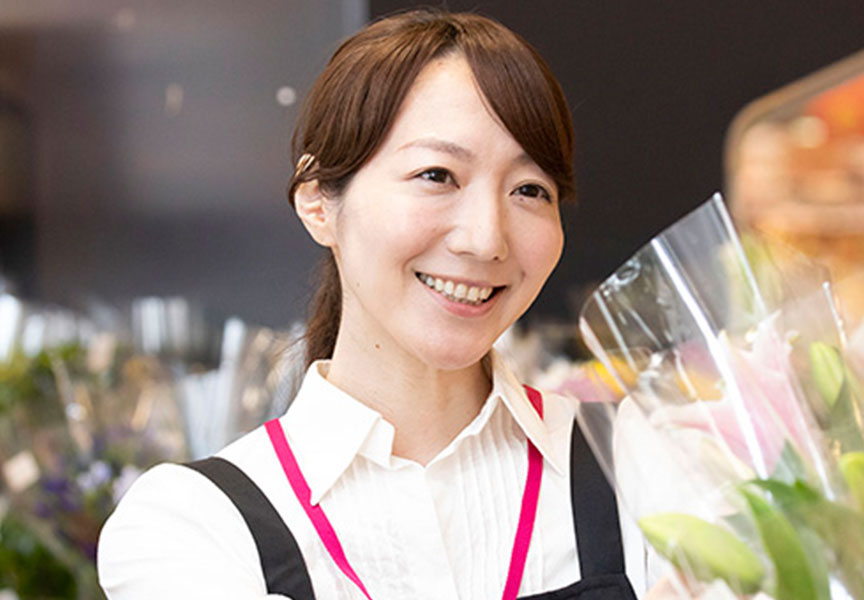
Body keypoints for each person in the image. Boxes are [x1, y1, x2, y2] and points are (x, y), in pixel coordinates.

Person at [98, 9, 649, 599]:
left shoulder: (639, 459)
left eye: (530, 190)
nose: (486, 239)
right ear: (318, 200)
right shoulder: (192, 527)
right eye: (437, 175)